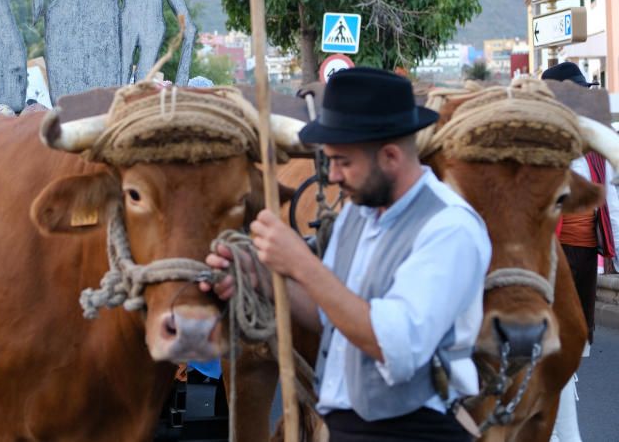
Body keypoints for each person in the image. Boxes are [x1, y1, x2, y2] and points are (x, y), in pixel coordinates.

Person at [203, 67, 491, 440]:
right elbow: (332, 314)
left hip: (414, 432)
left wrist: (302, 264)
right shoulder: (358, 214)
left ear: (390, 156)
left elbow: (394, 346)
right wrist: (261, 277)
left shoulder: (449, 227)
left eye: (342, 161)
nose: (333, 176)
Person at [541, 61, 619, 442]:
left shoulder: (594, 142)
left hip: (585, 256)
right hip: (550, 257)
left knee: (571, 352)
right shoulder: (538, 140)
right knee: (555, 352)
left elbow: (610, 202)